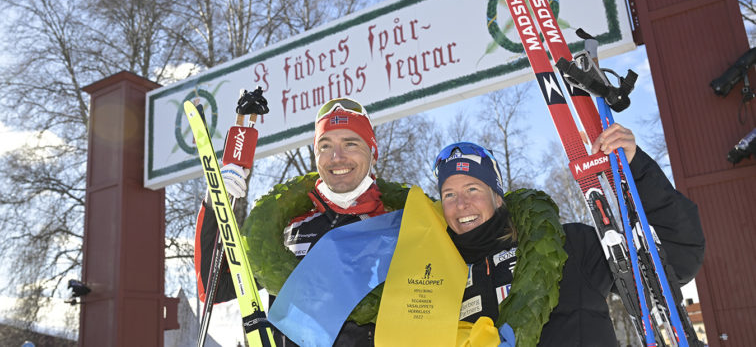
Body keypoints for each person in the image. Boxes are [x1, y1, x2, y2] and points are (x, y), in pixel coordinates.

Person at [434, 124, 705, 346]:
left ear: (498, 199)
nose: (461, 204)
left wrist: (634, 168)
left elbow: (676, 256)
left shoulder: (568, 247)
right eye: (449, 194)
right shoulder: (432, 280)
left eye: (472, 189)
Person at [195, 97, 392, 346]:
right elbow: (214, 287)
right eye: (325, 146)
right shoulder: (290, 226)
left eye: (350, 143)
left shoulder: (399, 225)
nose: (336, 157)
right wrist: (215, 201)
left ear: (372, 152)